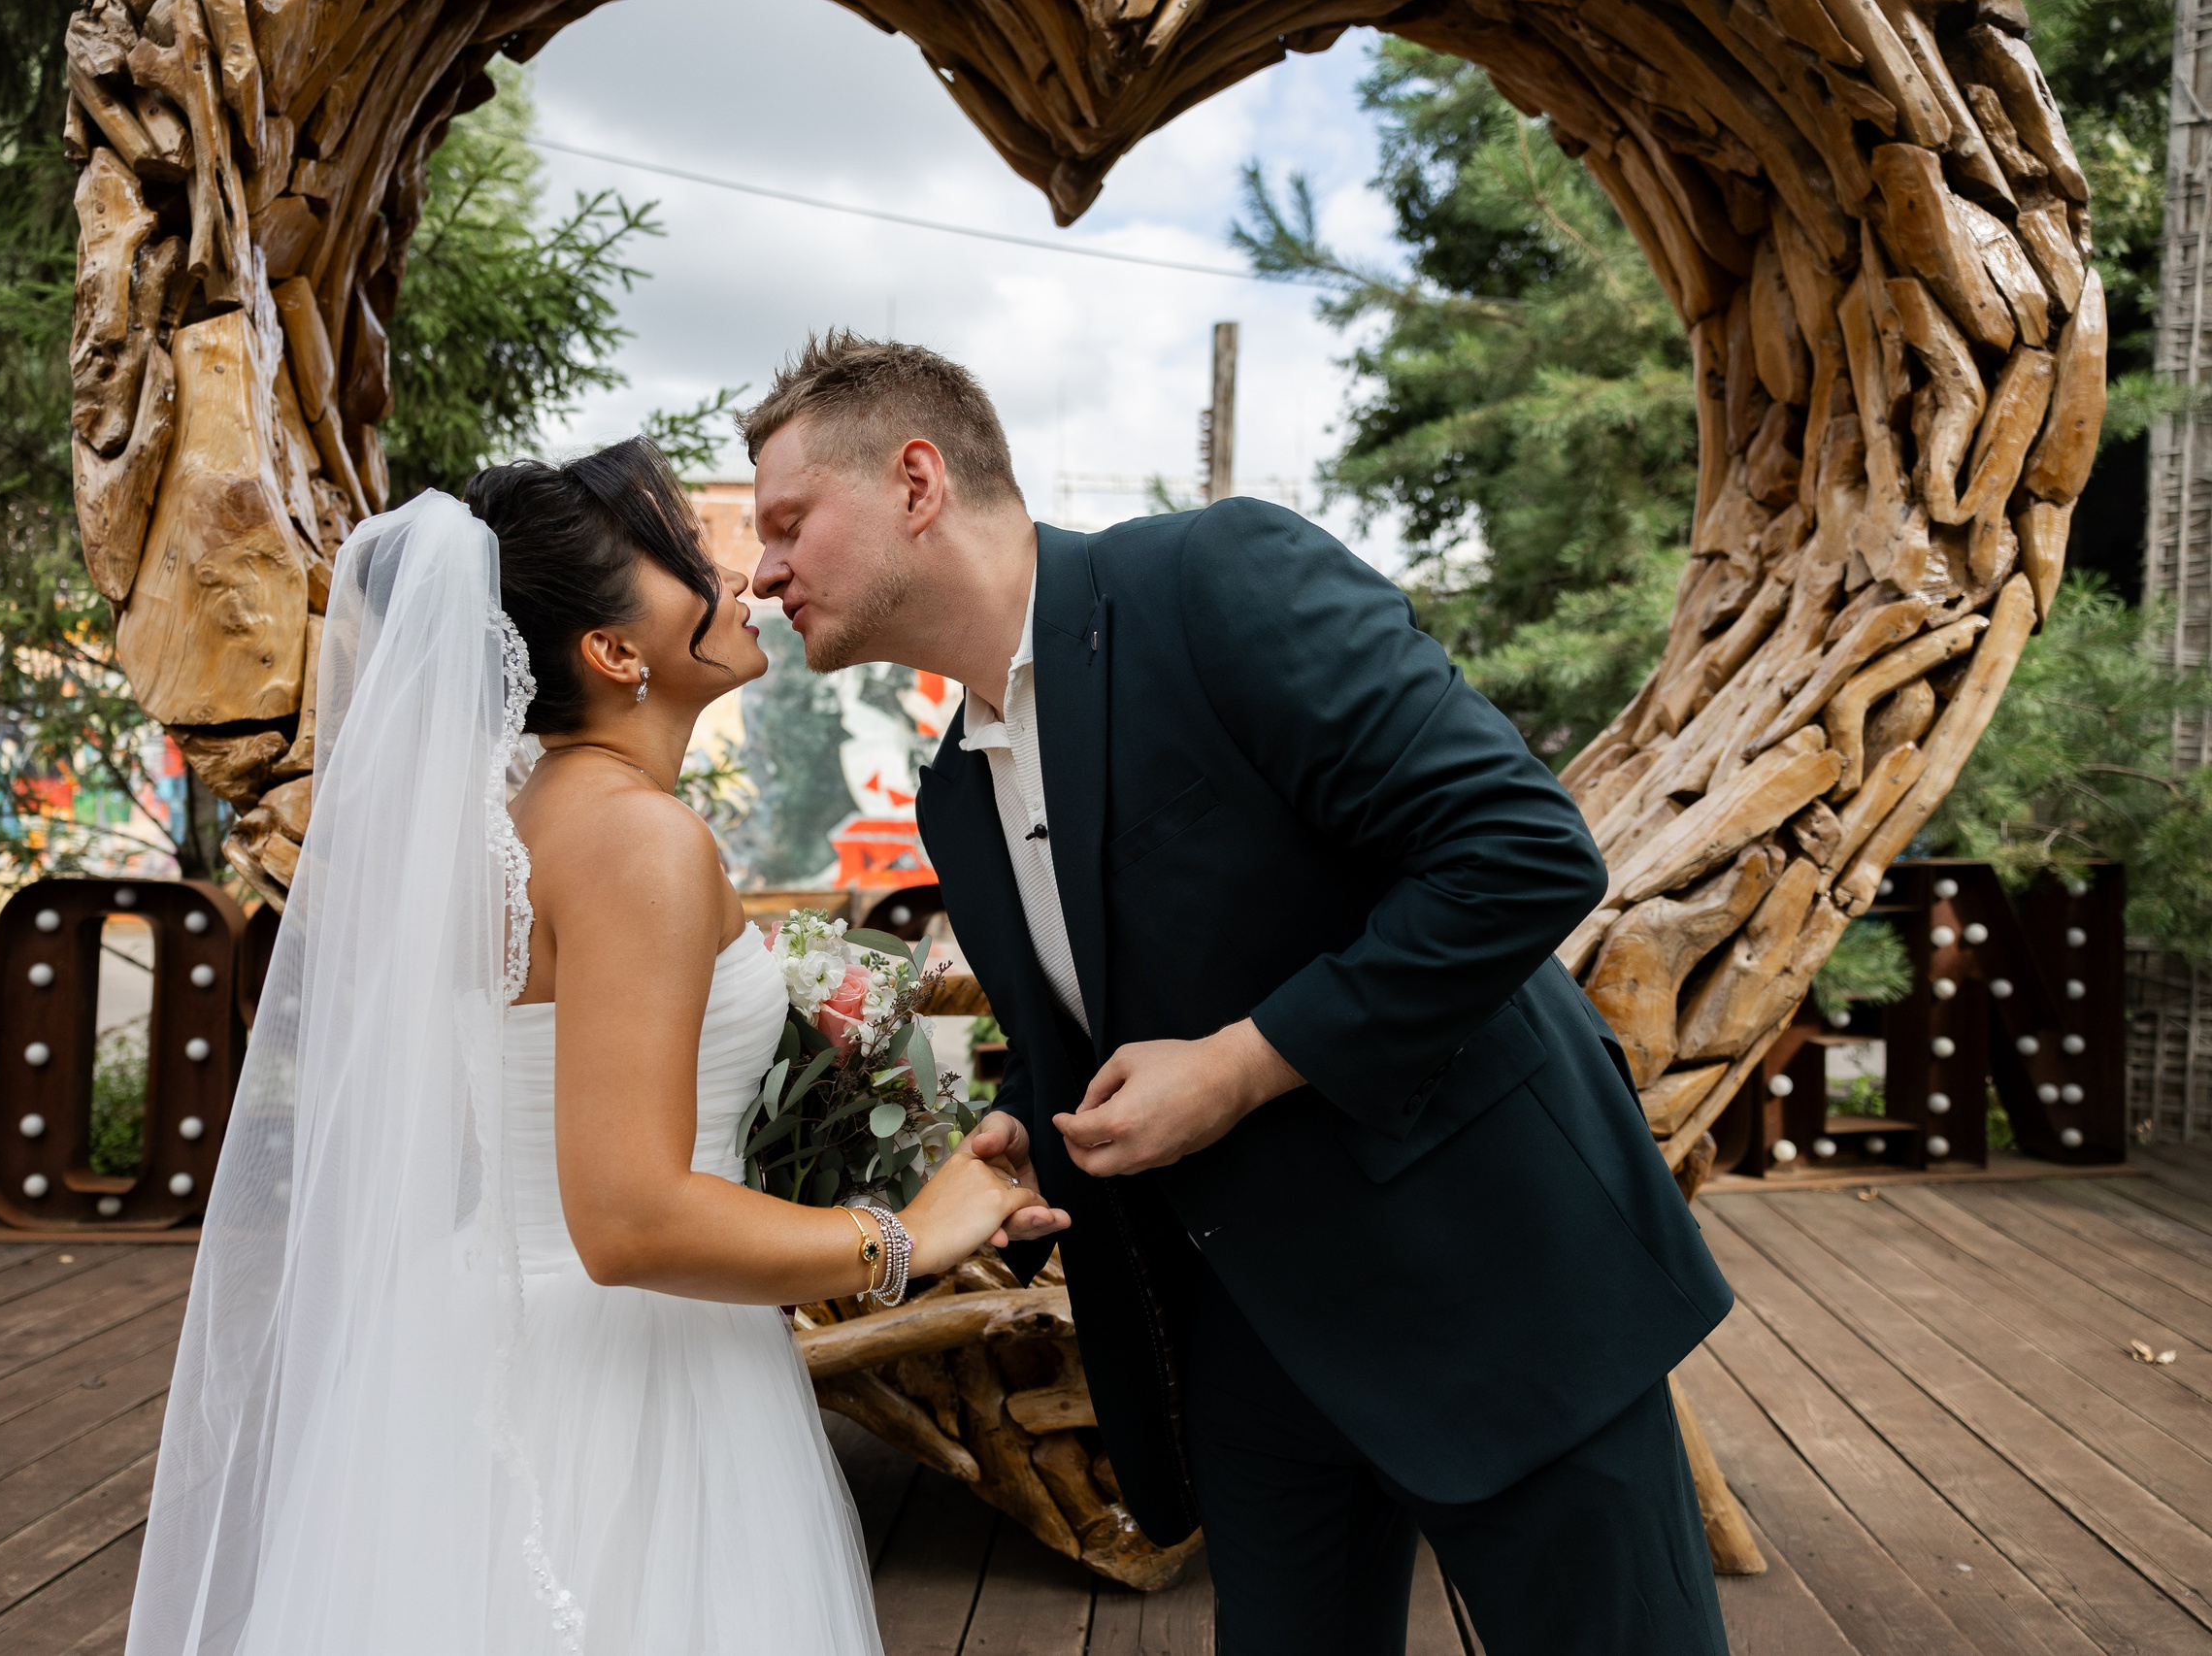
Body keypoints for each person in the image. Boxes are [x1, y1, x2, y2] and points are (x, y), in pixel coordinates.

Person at [743, 333, 1736, 1656]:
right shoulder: (953, 795)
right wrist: (1029, 1126)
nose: (762, 570)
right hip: (1245, 1346)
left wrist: (1242, 1061)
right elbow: (1085, 1023)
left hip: (1497, 1287)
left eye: (787, 523)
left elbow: (1521, 850)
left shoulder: (1216, 578)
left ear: (916, 482)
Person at [124, 439, 1052, 1656]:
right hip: (625, 1384)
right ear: (614, 654)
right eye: (690, 559)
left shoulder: (523, 827)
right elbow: (626, 1220)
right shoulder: (634, 842)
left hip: (485, 1343)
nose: (738, 578)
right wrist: (904, 1237)